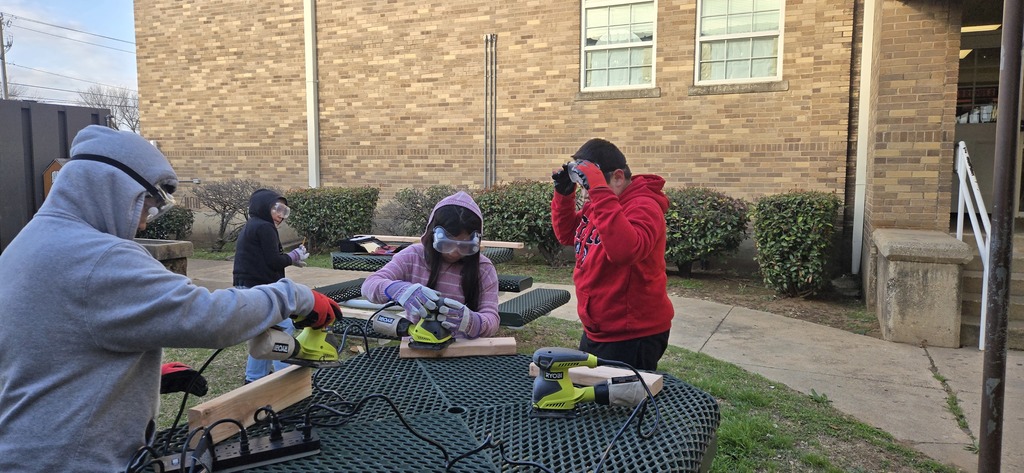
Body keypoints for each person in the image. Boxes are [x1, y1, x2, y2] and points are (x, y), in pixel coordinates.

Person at [0, 125, 339, 472]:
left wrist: (134, 378)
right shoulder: (100, 256)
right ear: (114, 188)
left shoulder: (25, 245)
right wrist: (293, 295)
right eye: (146, 206)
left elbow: (42, 350)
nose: (144, 224)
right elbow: (209, 318)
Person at [550, 138, 673, 371]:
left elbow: (625, 252)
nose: (586, 194)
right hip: (599, 328)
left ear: (617, 177)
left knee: (618, 395)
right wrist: (563, 196)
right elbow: (567, 235)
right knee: (590, 390)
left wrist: (600, 192)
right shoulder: (602, 203)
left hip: (632, 334)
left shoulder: (644, 206)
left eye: (589, 185)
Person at [361, 191, 500, 339]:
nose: (454, 252)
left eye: (464, 246)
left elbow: (492, 320)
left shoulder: (483, 269)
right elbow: (369, 285)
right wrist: (398, 290)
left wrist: (472, 322)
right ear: (433, 236)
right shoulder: (413, 256)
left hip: (465, 348)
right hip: (417, 345)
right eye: (447, 244)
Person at [234, 188, 309, 383]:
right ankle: (284, 376)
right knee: (283, 327)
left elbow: (267, 258)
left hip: (248, 287)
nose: (281, 215)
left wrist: (290, 259)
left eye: (285, 211)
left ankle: (254, 378)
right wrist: (293, 257)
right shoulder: (265, 227)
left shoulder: (254, 225)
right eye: (277, 209)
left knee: (263, 332)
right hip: (257, 289)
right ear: (263, 207)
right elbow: (274, 261)